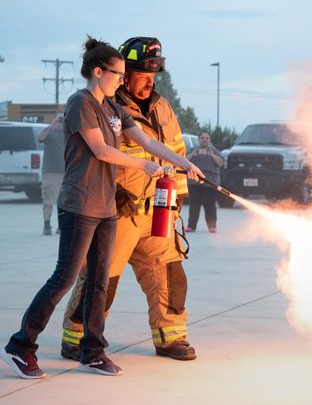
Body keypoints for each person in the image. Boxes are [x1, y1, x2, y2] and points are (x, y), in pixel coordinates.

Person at [0, 36, 202, 380]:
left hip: (128, 208)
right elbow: (102, 151)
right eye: (122, 73)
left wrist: (183, 163)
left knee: (109, 281)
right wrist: (147, 168)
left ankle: (94, 352)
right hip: (85, 204)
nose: (127, 80)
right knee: (68, 278)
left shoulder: (116, 108)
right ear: (100, 71)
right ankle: (22, 345)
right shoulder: (80, 103)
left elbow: (151, 141)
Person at [61, 37, 197, 362]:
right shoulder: (106, 107)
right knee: (100, 280)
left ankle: (170, 338)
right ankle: (76, 337)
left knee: (170, 274)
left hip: (158, 213)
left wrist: (177, 198)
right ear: (124, 73)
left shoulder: (162, 107)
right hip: (117, 212)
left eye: (154, 75)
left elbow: (174, 150)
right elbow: (98, 155)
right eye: (141, 74)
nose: (149, 81)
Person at [186, 132, 224, 233]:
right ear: (198, 139)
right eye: (202, 138)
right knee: (194, 206)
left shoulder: (215, 151)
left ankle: (212, 227)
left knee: (210, 206)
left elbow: (221, 163)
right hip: (194, 183)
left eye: (207, 138)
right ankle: (191, 226)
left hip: (210, 183)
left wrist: (212, 155)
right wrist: (193, 154)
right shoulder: (193, 150)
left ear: (210, 140)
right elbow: (184, 161)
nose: (204, 139)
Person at [38, 113, 65, 235]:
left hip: (67, 172)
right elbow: (40, 138)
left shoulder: (68, 134)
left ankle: (61, 226)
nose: (60, 122)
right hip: (51, 173)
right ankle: (47, 225)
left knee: (64, 202)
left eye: (62, 120)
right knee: (49, 201)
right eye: (58, 120)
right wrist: (51, 125)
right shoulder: (49, 132)